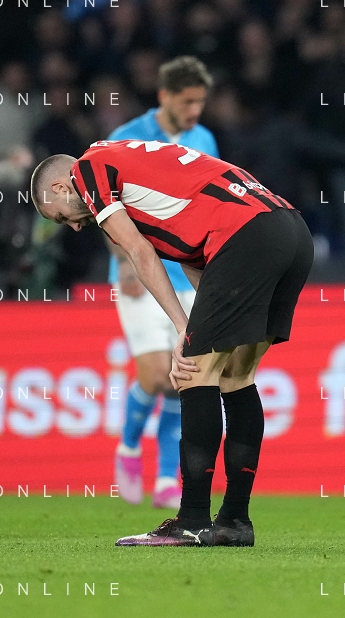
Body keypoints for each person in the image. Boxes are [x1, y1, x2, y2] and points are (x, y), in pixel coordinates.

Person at [30, 139, 312, 547]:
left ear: (60, 187)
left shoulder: (88, 169)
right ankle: (234, 521)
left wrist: (184, 329)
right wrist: (198, 326)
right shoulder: (136, 173)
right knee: (236, 376)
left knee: (193, 373)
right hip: (289, 231)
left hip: (245, 236)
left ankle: (191, 520)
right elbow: (200, 260)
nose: (74, 226)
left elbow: (139, 253)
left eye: (62, 217)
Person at [106, 56, 219, 510]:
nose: (195, 111)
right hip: (140, 272)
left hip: (187, 274)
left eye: (200, 102)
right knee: (155, 376)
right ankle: (129, 446)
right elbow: (103, 204)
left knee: (182, 379)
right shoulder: (126, 138)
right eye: (187, 102)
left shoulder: (204, 140)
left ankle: (167, 479)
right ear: (164, 96)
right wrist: (125, 259)